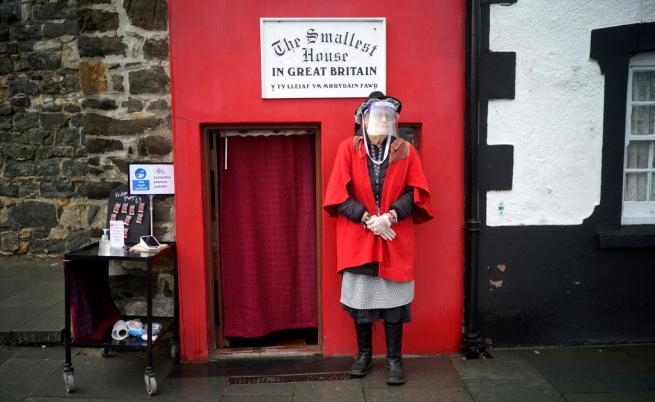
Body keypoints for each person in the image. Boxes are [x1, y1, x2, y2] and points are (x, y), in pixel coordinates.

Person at [323, 91, 433, 385]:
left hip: (395, 236)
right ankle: (364, 355)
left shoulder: (406, 150)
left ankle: (395, 360)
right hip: (359, 237)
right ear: (364, 119)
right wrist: (369, 219)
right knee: (362, 303)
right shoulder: (348, 148)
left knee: (394, 304)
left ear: (393, 121)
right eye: (377, 115)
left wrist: (391, 215)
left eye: (387, 116)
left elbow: (416, 193)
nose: (382, 120)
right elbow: (336, 195)